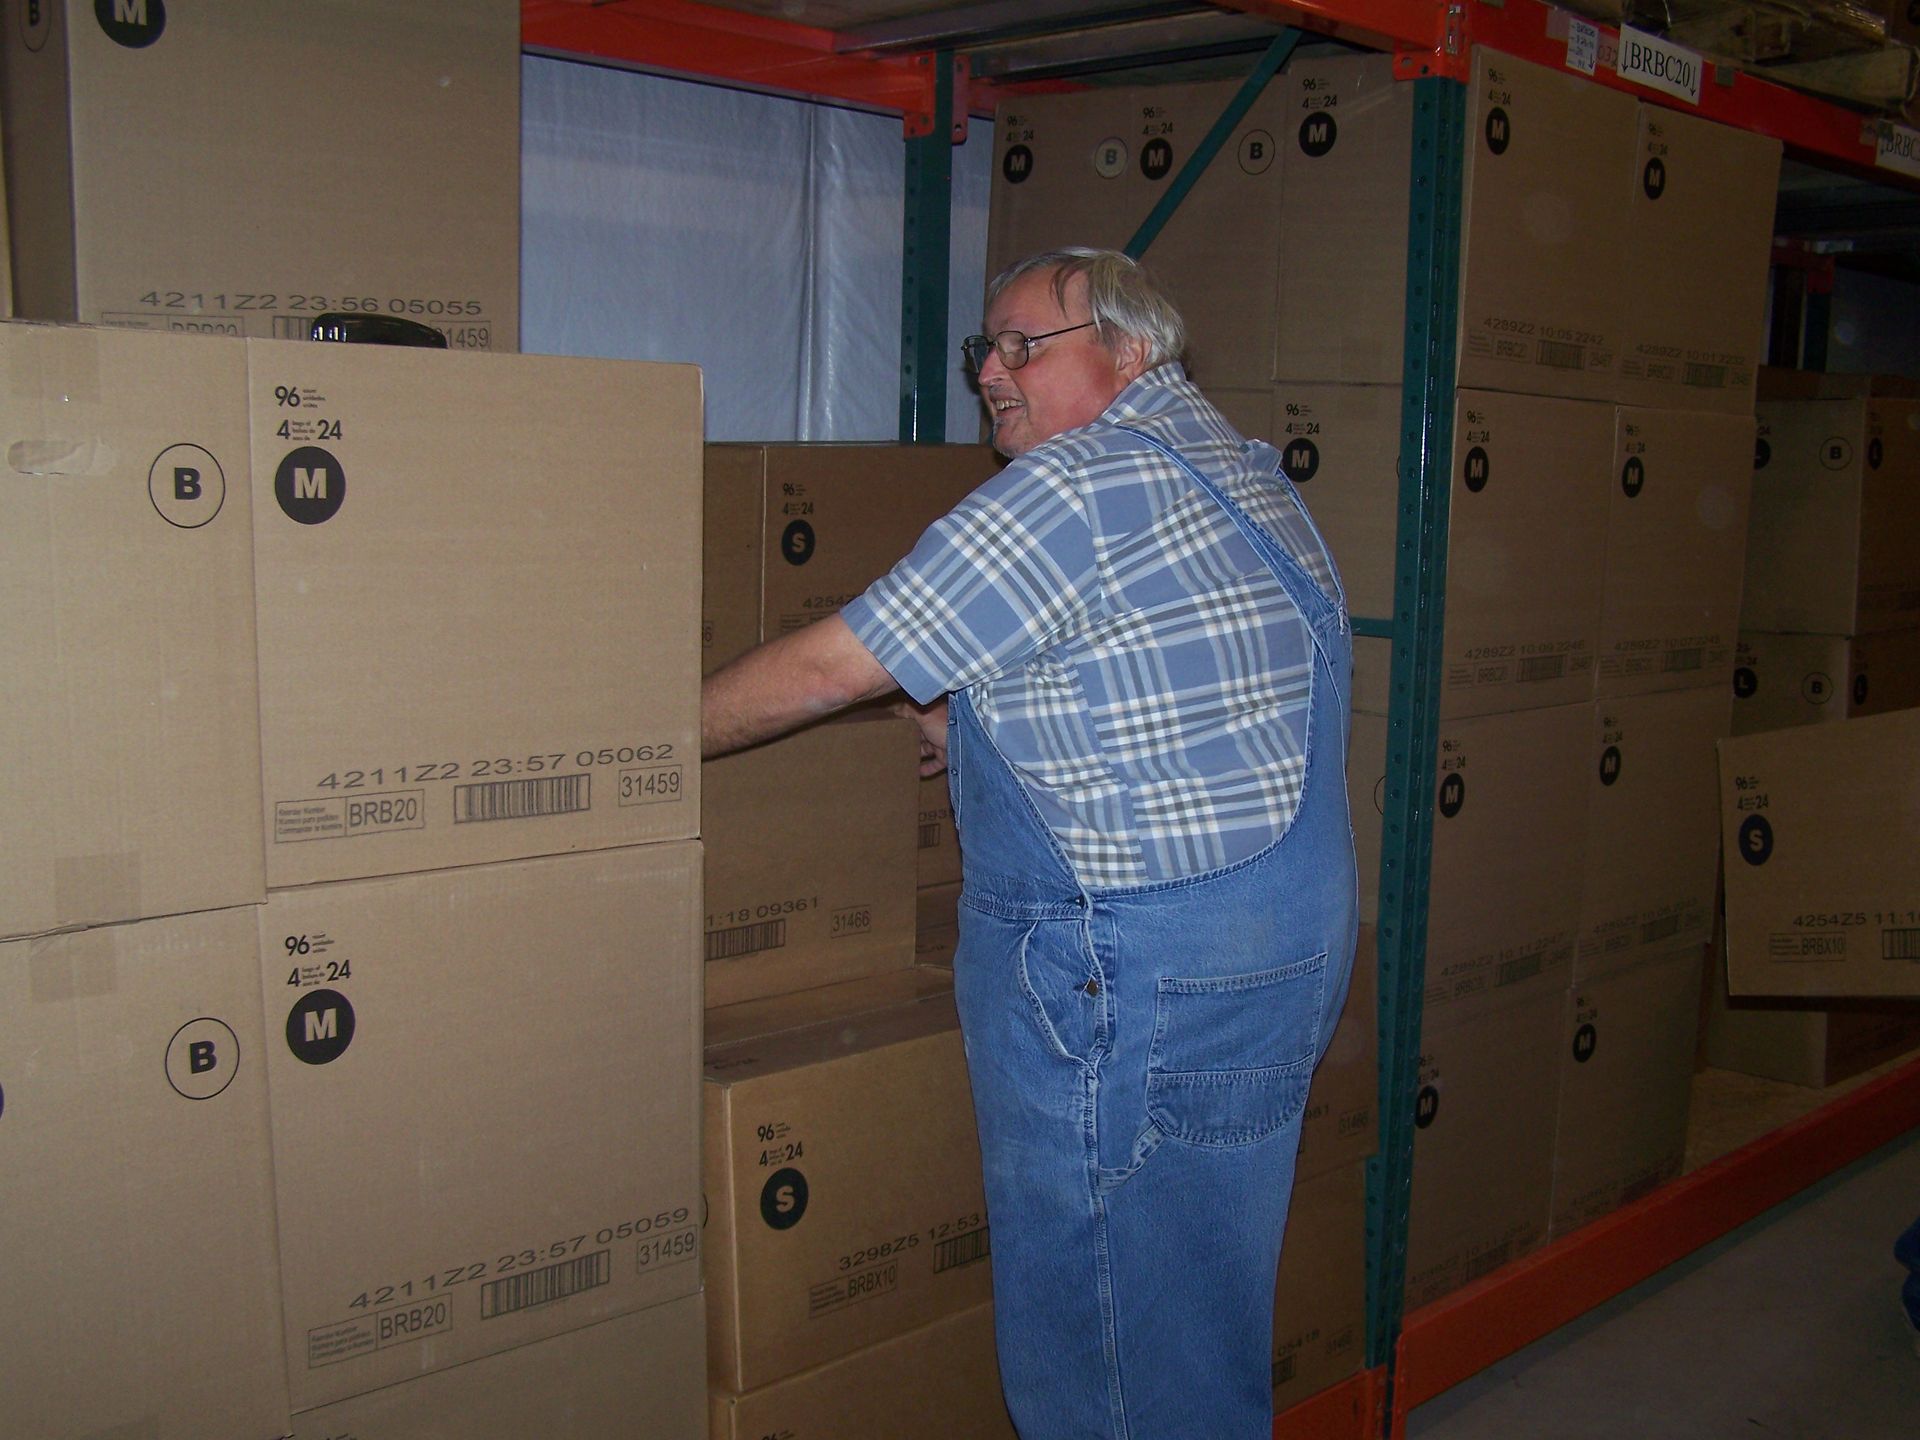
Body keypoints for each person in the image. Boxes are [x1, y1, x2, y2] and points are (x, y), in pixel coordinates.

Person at [702, 247, 1358, 1439]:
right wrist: (990, 733)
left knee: (1101, 1355)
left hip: (1130, 983)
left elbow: (826, 668)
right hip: (1268, 959)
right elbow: (1195, 681)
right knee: (1194, 1320)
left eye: (1025, 346)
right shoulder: (1238, 471)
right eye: (984, 350)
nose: (993, 375)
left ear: (1132, 350)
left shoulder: (1071, 488)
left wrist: (624, 746)